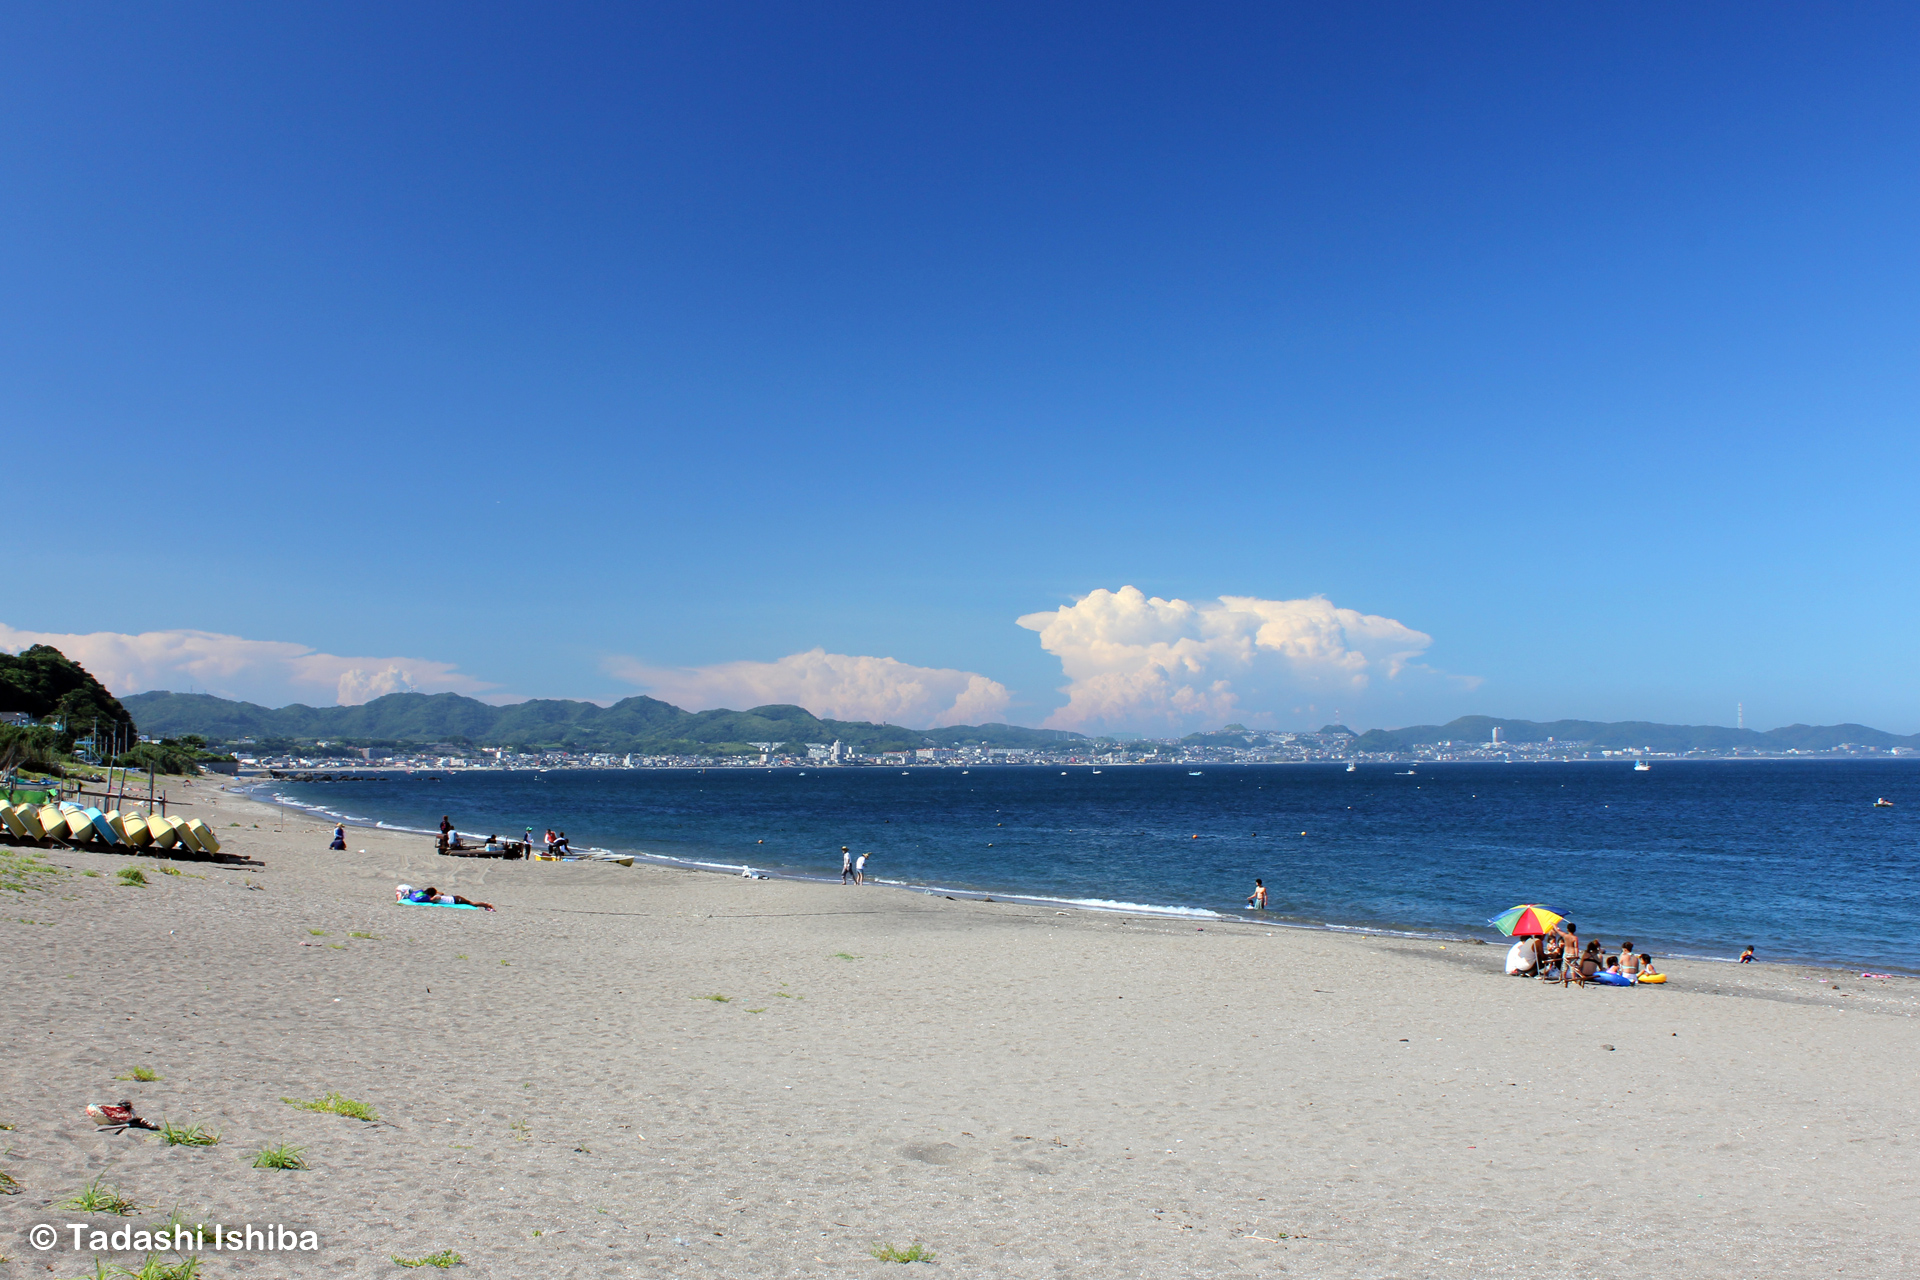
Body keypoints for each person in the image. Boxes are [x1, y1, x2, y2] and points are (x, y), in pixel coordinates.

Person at [396, 883, 495, 911]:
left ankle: (487, 905)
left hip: (456, 900)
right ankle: (487, 906)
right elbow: (441, 894)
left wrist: (432, 898)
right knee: (471, 903)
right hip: (454, 898)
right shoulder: (430, 894)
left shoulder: (434, 897)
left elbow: (437, 898)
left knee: (472, 904)